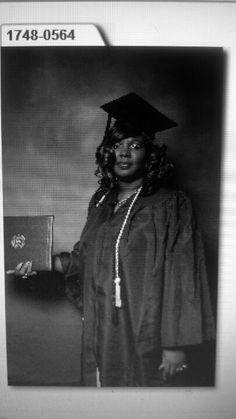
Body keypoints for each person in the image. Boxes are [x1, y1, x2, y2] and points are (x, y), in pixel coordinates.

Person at [15, 92, 215, 387]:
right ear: (107, 152)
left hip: (145, 326)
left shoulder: (170, 204)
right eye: (116, 145)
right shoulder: (100, 203)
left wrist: (176, 344)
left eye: (134, 146)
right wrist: (40, 262)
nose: (124, 153)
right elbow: (83, 260)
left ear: (150, 154)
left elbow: (183, 275)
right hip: (101, 323)